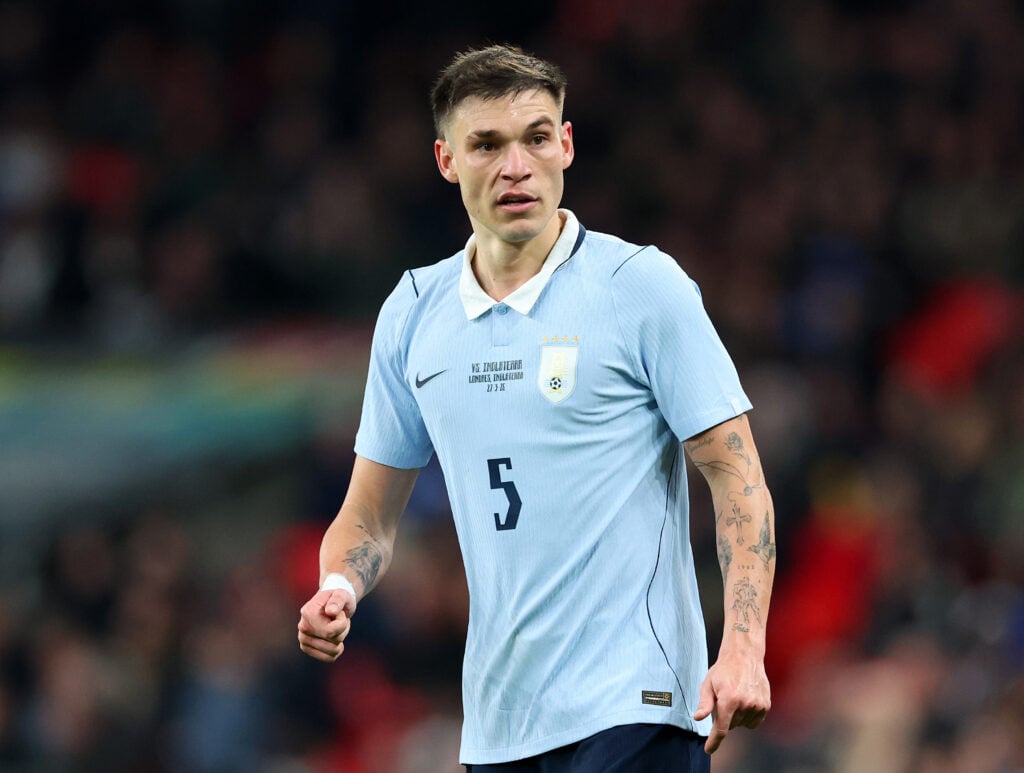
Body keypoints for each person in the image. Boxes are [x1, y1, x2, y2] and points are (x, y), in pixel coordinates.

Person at [298, 44, 775, 771]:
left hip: (637, 705)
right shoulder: (414, 312)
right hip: (501, 724)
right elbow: (366, 516)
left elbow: (737, 478)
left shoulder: (639, 286)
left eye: (537, 137)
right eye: (487, 144)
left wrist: (742, 647)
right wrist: (339, 585)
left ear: (567, 144)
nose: (515, 164)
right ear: (446, 160)